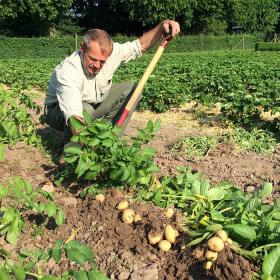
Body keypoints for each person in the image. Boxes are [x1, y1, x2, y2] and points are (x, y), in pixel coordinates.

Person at [44, 19, 180, 149]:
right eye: (93, 59)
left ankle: (110, 142)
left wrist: (161, 26)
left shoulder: (113, 52)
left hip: (93, 102)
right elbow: (74, 116)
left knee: (132, 89)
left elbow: (140, 46)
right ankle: (72, 153)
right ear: (82, 48)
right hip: (59, 111)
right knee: (85, 110)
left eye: (102, 61)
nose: (97, 65)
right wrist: (89, 153)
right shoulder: (69, 71)